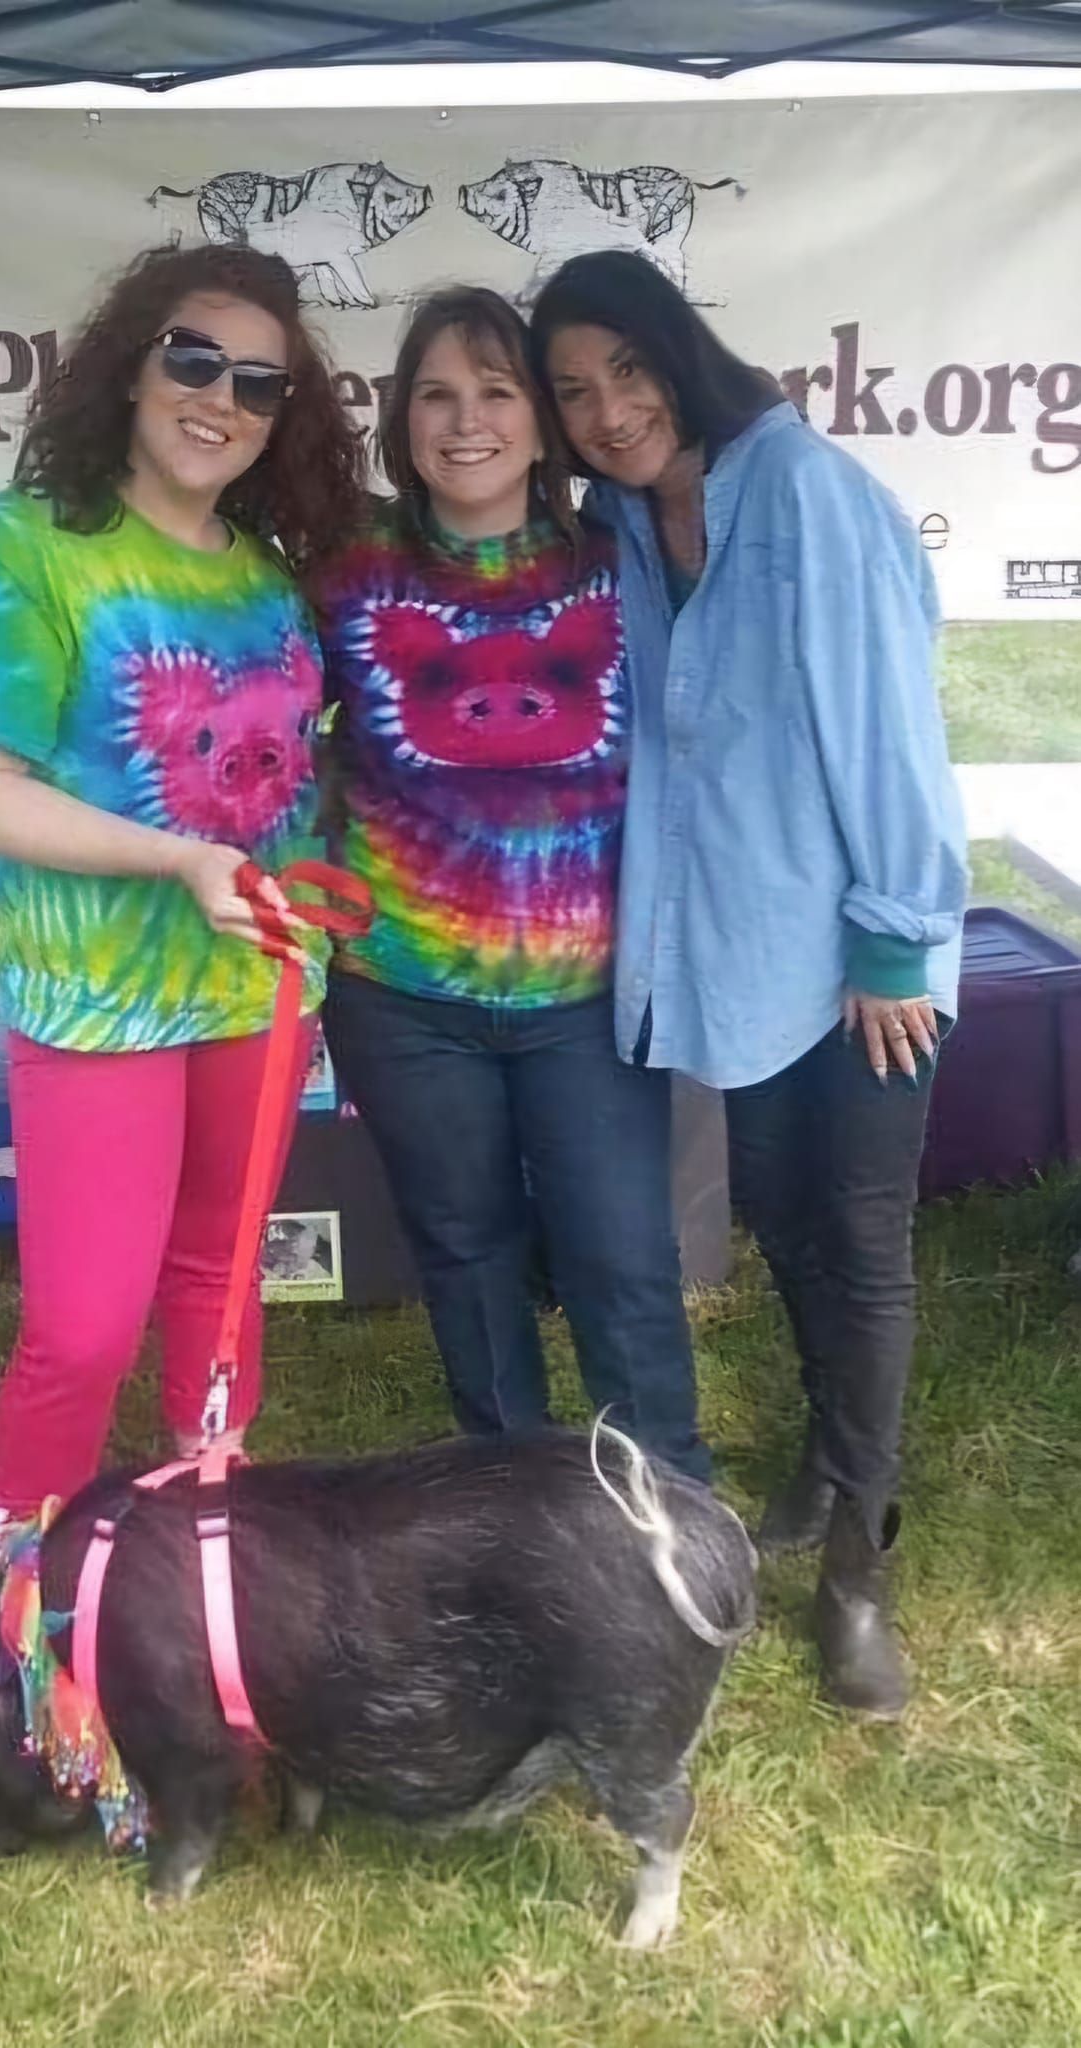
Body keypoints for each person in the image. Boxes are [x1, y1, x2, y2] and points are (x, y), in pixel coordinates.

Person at [530, 251, 968, 1717]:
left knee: (857, 1245)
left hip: (862, 960)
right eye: (573, 391)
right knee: (782, 1225)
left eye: (627, 372)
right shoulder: (622, 526)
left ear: (678, 354)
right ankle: (824, 1457)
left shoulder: (801, 495)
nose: (605, 410)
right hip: (742, 958)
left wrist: (896, 934)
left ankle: (855, 1566)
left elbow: (888, 726)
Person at [0, 243, 365, 1608]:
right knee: (82, 1324)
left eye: (258, 382)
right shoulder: (30, 543)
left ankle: (192, 1573)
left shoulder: (267, 576)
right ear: (128, 364)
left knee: (220, 1296)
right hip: (97, 997)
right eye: (192, 358)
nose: (218, 398)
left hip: (259, 991)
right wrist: (179, 860)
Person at [312, 286, 706, 1480]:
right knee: (465, 1250)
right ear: (400, 419)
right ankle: (515, 1502)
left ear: (543, 422)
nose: (465, 420)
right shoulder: (343, 573)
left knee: (620, 1252)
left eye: (496, 392)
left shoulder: (618, 560)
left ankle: (673, 1505)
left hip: (584, 996)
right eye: (436, 393)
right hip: (399, 990)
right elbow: (269, 736)